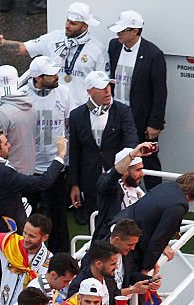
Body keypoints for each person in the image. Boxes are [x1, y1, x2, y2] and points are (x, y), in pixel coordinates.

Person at [0, 2, 108, 101]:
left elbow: (102, 83)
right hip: (54, 106)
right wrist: (3, 43)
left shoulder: (97, 49)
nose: (67, 25)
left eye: (73, 23)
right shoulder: (53, 38)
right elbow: (24, 48)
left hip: (80, 110)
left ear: (85, 26)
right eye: (67, 21)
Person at [113, 171, 194, 274]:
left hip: (117, 228)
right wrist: (146, 269)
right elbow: (159, 239)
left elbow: (152, 221)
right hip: (129, 244)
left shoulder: (166, 186)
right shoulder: (177, 207)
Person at [0, 129, 67, 235]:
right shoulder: (5, 174)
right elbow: (43, 182)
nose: (9, 145)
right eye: (5, 144)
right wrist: (60, 155)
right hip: (8, 237)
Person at [107, 10, 167, 189]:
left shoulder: (153, 54)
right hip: (116, 114)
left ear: (135, 31)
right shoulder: (114, 46)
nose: (118, 34)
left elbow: (160, 92)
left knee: (148, 159)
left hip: (140, 119)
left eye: (122, 31)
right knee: (118, 156)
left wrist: (155, 123)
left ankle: (155, 197)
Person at [68, 71, 138, 221]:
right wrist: (74, 184)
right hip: (90, 179)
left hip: (118, 177)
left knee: (120, 222)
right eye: (101, 87)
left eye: (108, 85)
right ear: (89, 91)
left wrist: (125, 170)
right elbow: (74, 152)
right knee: (94, 221)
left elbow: (131, 142)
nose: (107, 91)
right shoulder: (76, 115)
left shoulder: (122, 111)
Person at [27, 55, 78, 253]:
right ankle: (27, 254)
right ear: (38, 78)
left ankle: (61, 256)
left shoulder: (64, 93)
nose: (57, 77)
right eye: (51, 75)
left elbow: (70, 125)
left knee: (58, 215)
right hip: (30, 169)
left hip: (56, 166)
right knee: (28, 213)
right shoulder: (23, 96)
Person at [94, 144, 154, 235]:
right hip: (113, 239)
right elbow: (111, 179)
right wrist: (131, 156)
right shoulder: (109, 187)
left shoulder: (137, 187)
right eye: (138, 170)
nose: (142, 174)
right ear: (125, 171)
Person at [0, 65, 36, 175]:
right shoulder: (31, 105)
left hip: (11, 173)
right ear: (17, 81)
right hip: (30, 169)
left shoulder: (0, 113)